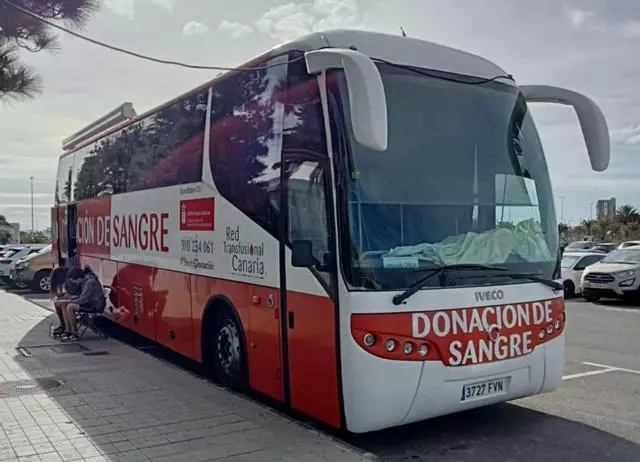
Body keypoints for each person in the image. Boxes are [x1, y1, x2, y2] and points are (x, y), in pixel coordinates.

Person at [60, 265, 106, 342]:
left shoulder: (89, 283)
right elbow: (83, 297)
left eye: (73, 281)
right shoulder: (86, 281)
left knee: (70, 307)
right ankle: (68, 330)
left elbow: (83, 300)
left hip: (95, 305)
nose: (74, 283)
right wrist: (71, 299)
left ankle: (74, 333)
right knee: (64, 305)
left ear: (78, 278)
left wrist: (69, 301)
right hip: (90, 302)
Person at [50, 266, 82, 338]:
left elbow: (77, 293)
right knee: (60, 303)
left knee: (64, 304)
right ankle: (65, 326)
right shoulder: (69, 279)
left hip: (77, 298)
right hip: (74, 297)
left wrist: (69, 297)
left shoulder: (74, 279)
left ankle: (68, 328)